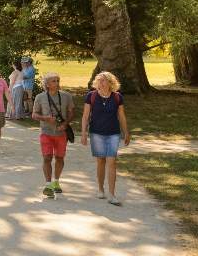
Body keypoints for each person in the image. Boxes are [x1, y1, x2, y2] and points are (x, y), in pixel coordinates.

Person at [80, 71, 131, 205]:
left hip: (113, 133)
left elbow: (121, 116)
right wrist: (84, 133)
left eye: (103, 80)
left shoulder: (117, 97)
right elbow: (85, 116)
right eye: (99, 80)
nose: (100, 83)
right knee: (101, 162)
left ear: (110, 83)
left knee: (112, 162)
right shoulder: (91, 96)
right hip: (96, 133)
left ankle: (112, 194)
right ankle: (100, 188)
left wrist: (126, 132)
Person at [32, 72, 74, 199]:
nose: (57, 83)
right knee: (47, 158)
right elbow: (34, 115)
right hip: (46, 133)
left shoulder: (66, 96)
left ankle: (56, 182)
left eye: (57, 80)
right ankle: (48, 185)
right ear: (47, 84)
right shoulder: (40, 97)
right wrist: (45, 118)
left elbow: (71, 112)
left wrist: (65, 124)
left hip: (61, 134)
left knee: (60, 158)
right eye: (54, 81)